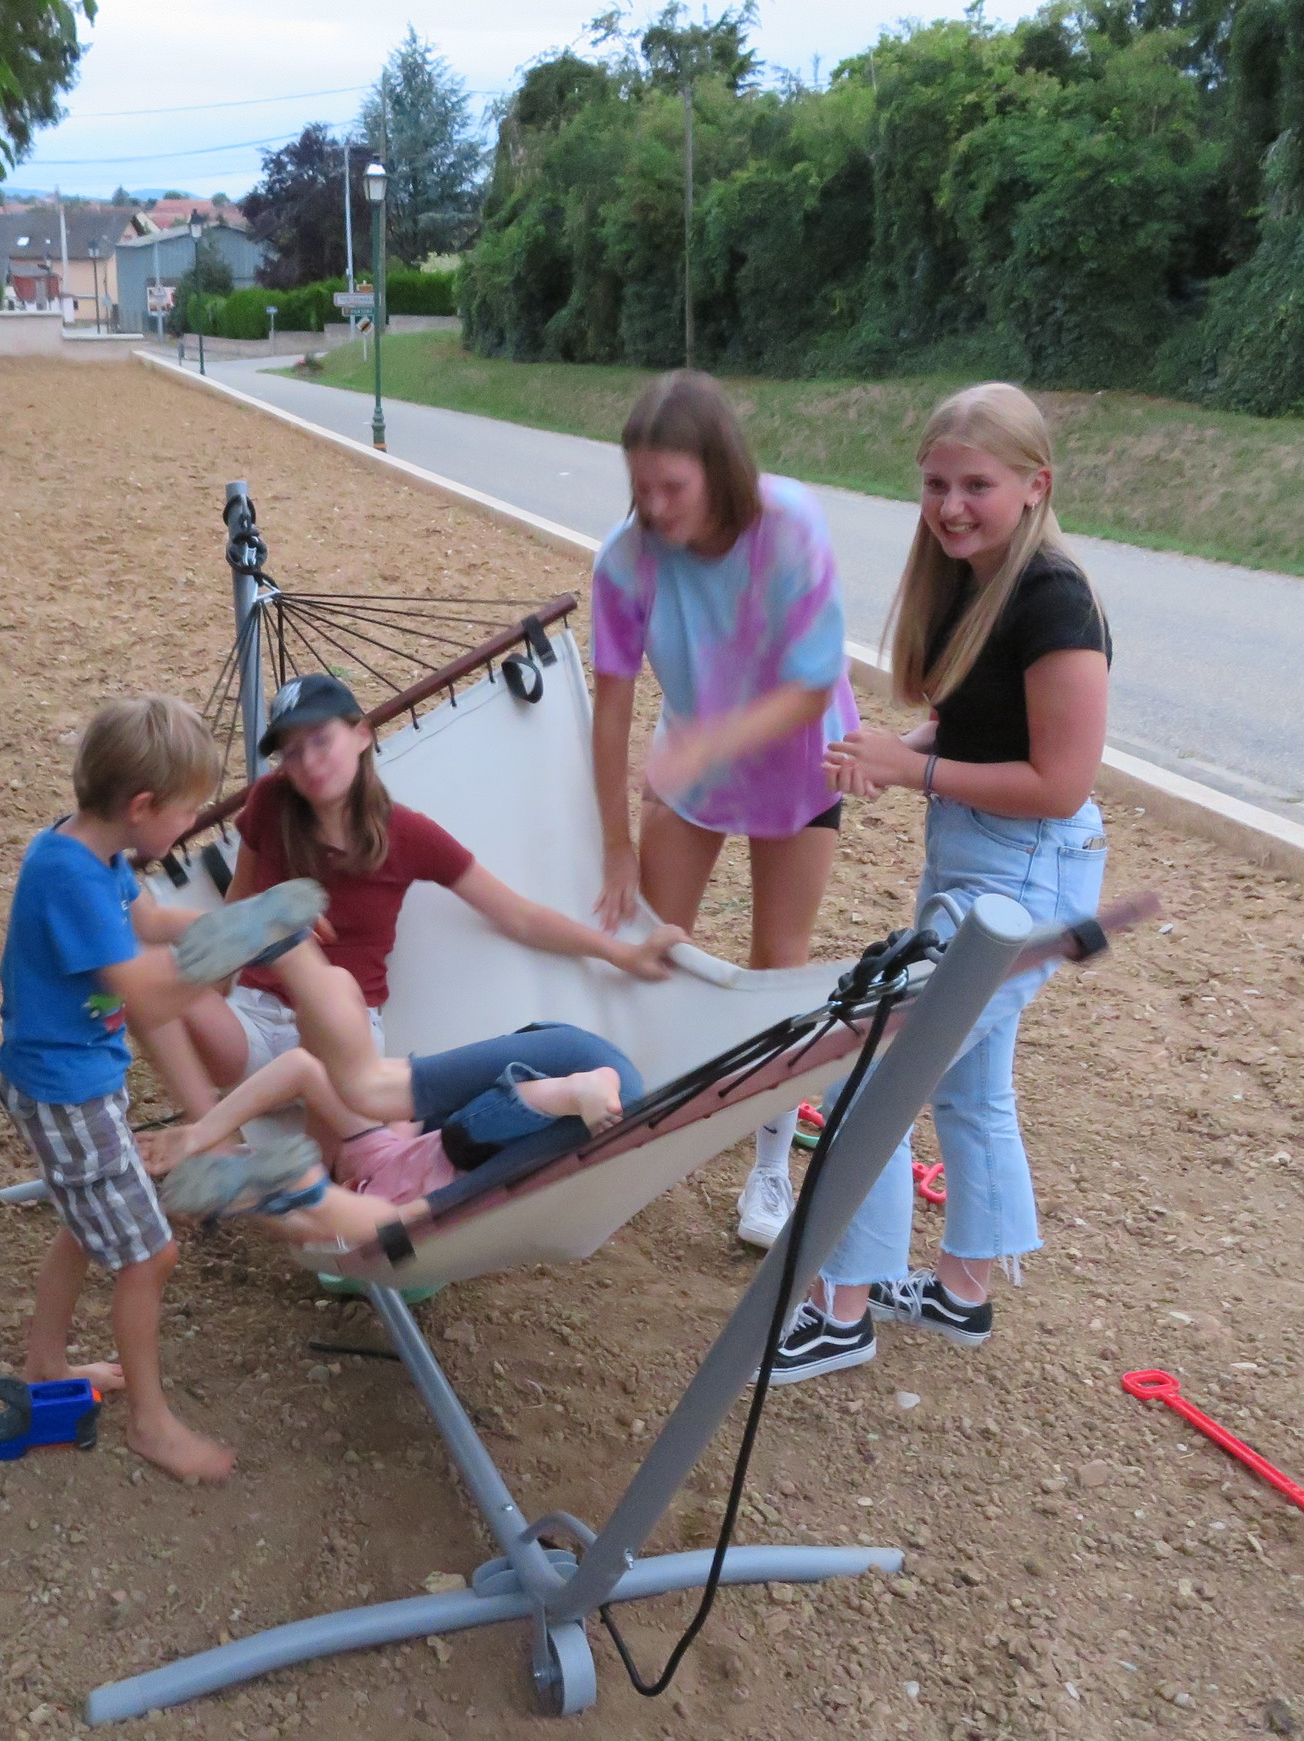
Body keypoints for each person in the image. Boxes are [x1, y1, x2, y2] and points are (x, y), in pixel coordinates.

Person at [769, 382, 1111, 1386]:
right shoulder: (974, 576)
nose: (951, 507)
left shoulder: (1055, 601)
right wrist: (896, 750)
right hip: (978, 857)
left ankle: (842, 1307)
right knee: (968, 1081)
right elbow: (979, 728)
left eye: (976, 486)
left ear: (1036, 485)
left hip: (1027, 871)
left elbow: (1060, 783)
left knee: (870, 1059)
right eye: (935, 485)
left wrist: (913, 770)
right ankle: (963, 1292)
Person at [0, 694, 328, 1481]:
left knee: (89, 1219)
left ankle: (46, 1364)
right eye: (185, 814)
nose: (189, 827)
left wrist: (253, 920)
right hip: (65, 1093)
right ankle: (151, 1425)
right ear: (142, 806)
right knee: (152, 1255)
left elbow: (151, 924)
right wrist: (241, 943)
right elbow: (146, 992)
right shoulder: (67, 878)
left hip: (80, 1079)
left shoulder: (99, 856)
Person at [588, 370, 856, 1253]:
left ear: (720, 470)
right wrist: (617, 845)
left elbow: (813, 682)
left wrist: (707, 745)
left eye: (674, 486)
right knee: (654, 951)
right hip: (692, 768)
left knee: (779, 965)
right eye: (641, 488)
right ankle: (632, 1133)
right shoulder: (626, 560)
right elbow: (612, 709)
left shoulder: (789, 525)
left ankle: (769, 1167)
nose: (655, 507)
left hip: (797, 764)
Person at [155, 672, 683, 1108]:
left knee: (334, 998)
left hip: (344, 1043)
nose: (309, 763)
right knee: (149, 978)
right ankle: (210, 1137)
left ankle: (322, 1156)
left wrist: (623, 954)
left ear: (361, 735)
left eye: (321, 740)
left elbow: (517, 915)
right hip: (256, 1017)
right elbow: (236, 906)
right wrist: (209, 988)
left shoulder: (406, 834)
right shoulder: (270, 802)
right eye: (291, 753)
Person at [145, 938, 642, 1249]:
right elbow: (434, 1194)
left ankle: (304, 963)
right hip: (562, 1090)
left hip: (561, 1078)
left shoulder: (368, 1176)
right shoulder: (372, 1183)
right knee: (461, 1137)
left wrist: (206, 1146)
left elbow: (301, 1072)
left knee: (456, 1133)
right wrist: (206, 1147)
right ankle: (305, 964)